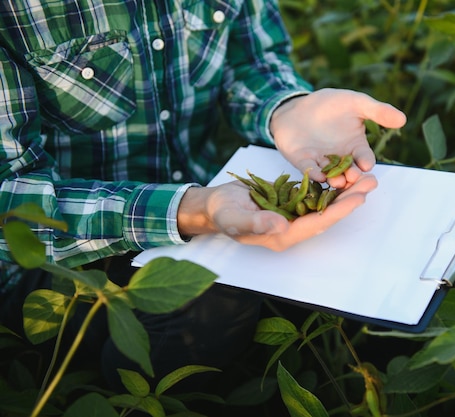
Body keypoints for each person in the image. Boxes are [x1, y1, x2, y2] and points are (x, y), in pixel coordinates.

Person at [0, 0, 406, 392]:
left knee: (354, 268)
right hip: (62, 256)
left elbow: (251, 61)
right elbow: (11, 200)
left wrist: (288, 110)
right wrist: (191, 210)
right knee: (209, 304)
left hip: (211, 197)